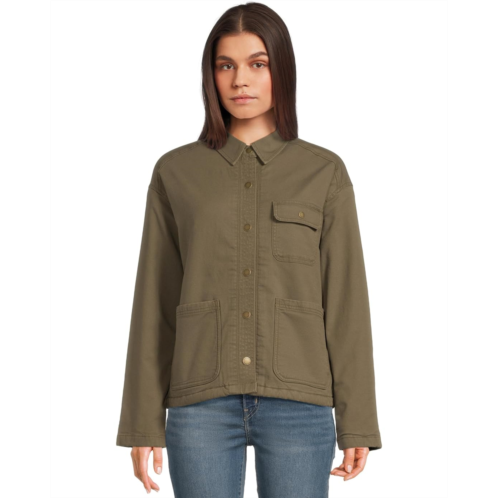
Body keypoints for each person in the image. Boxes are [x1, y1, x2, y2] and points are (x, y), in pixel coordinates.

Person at [116, 2, 382, 496]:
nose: (240, 79)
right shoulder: (175, 172)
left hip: (300, 402)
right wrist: (141, 420)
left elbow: (347, 302)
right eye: (226, 65)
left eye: (257, 63)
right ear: (211, 76)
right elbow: (154, 301)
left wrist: (358, 420)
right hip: (200, 402)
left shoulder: (324, 172)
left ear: (282, 70)